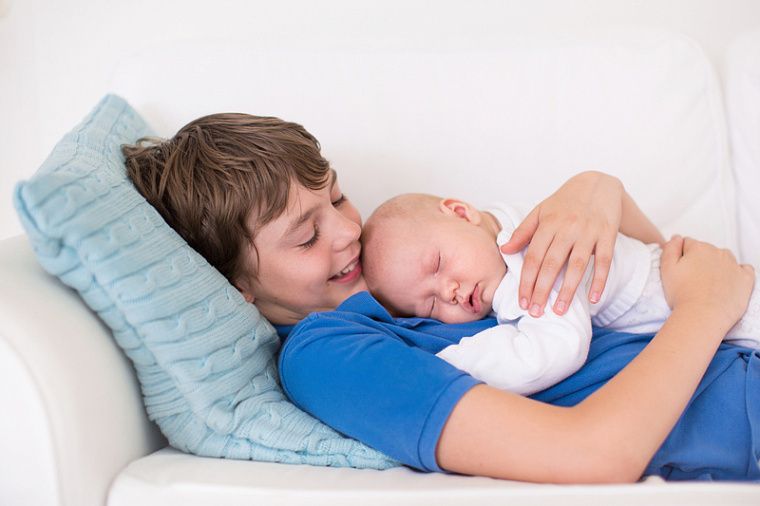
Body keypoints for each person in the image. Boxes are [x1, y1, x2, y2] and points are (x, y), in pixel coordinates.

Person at [123, 113, 758, 483]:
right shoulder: (328, 356)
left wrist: (601, 192)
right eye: (307, 236)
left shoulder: (410, 260)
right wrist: (707, 308)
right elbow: (593, 455)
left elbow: (645, 281)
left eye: (337, 198)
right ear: (239, 286)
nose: (347, 233)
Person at [361, 194, 760, 395]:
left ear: (462, 212)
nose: (448, 291)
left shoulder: (528, 263)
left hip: (736, 312)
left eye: (437, 264)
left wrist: (444, 364)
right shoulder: (510, 225)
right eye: (430, 305)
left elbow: (552, 350)